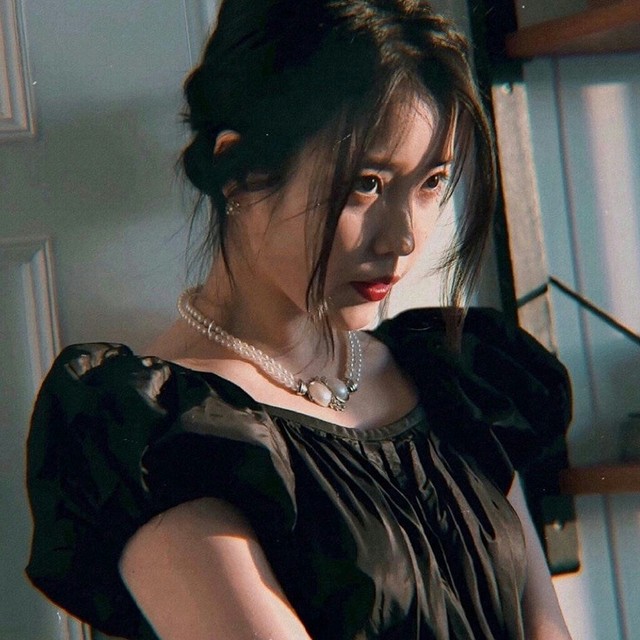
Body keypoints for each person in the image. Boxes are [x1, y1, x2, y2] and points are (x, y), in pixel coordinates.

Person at [25, 0, 573, 638]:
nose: (403, 238)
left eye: (431, 183)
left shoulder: (453, 374)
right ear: (241, 173)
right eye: (367, 184)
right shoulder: (158, 434)